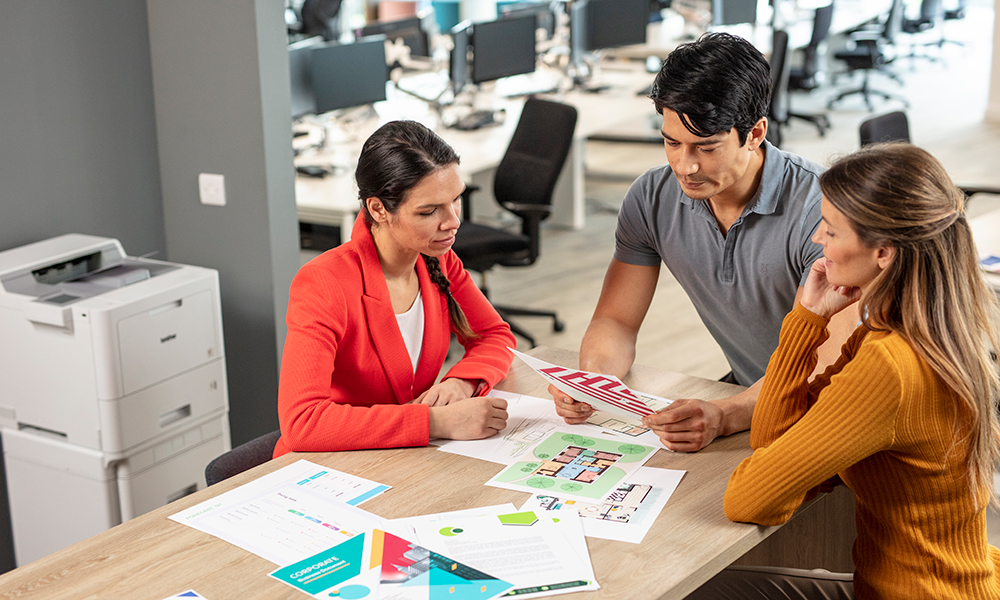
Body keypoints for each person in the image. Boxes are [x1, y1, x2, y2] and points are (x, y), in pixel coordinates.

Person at [693, 143, 1000, 598]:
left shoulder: (890, 365)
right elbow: (774, 438)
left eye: (832, 231)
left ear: (884, 253)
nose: (818, 239)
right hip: (938, 583)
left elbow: (751, 498)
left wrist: (805, 320)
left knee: (704, 590)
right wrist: (809, 318)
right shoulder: (913, 331)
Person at [551, 32, 857, 451]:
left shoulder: (822, 211)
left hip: (841, 404)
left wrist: (728, 413)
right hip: (757, 395)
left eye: (706, 147)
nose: (686, 165)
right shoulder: (651, 198)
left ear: (755, 133)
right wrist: (595, 381)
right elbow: (616, 321)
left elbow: (826, 355)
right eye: (671, 142)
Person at [273, 120, 514, 457]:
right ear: (378, 209)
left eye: (454, 200)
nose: (453, 221)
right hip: (331, 465)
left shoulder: (438, 259)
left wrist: (462, 382)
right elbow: (303, 423)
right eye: (429, 211)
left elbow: (494, 335)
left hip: (402, 457)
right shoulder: (325, 283)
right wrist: (435, 422)